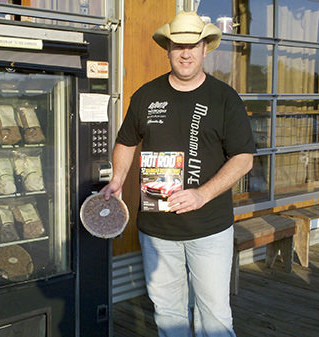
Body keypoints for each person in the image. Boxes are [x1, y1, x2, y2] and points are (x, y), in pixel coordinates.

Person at [101, 11, 256, 337]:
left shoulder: (225, 98)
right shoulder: (145, 96)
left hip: (210, 230)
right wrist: (116, 179)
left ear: (204, 49)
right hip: (157, 232)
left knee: (213, 316)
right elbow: (126, 143)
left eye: (193, 45)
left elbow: (243, 159)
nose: (185, 53)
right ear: (168, 49)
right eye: (178, 46)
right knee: (168, 313)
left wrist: (202, 194)